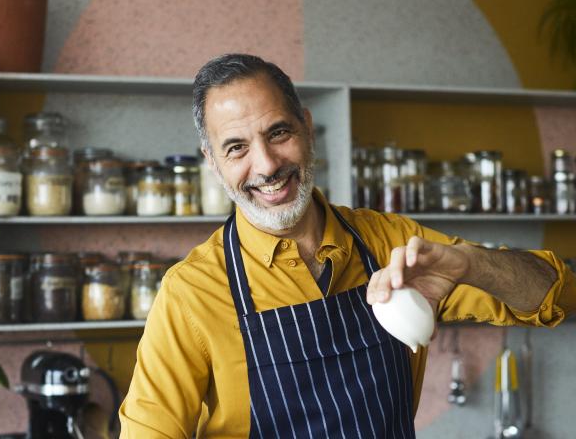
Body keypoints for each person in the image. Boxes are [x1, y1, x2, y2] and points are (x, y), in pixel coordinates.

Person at [119, 53, 575, 438]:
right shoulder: (191, 292)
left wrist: (472, 263)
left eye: (279, 132)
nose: (267, 165)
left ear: (307, 127)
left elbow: (558, 295)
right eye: (236, 147)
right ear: (213, 163)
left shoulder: (393, 242)